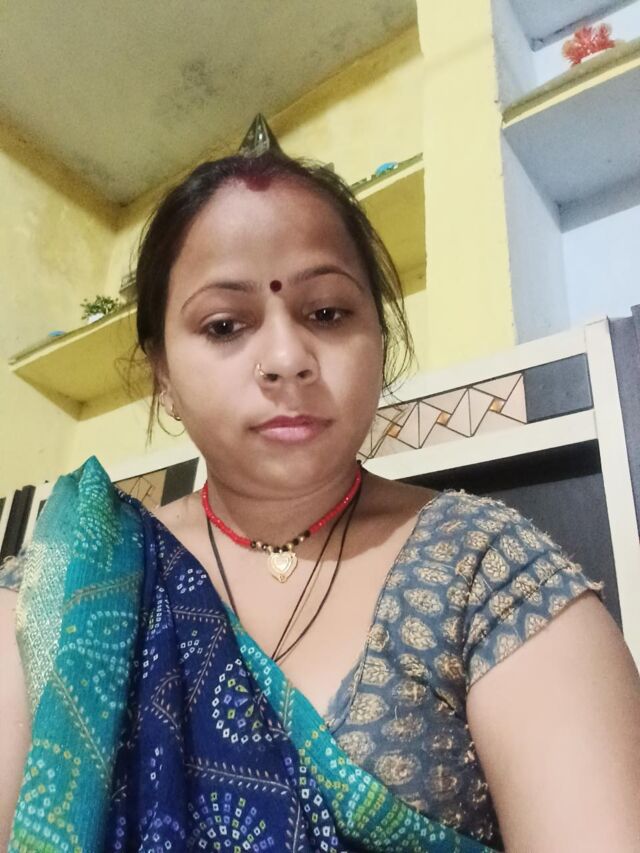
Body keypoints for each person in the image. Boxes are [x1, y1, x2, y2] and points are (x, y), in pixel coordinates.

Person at [1, 150, 639, 853]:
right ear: (163, 376)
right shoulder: (72, 584)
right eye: (224, 325)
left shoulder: (487, 571)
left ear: (379, 340)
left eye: (327, 312)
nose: (286, 358)